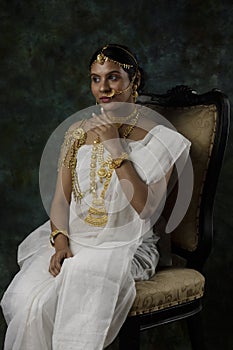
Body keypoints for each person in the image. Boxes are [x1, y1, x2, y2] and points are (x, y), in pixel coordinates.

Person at [1, 44, 191, 350]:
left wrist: (115, 148)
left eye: (113, 77)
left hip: (127, 245)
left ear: (135, 80)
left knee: (78, 277)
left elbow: (146, 209)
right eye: (95, 79)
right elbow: (61, 201)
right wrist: (61, 242)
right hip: (75, 238)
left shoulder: (162, 138)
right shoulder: (77, 132)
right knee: (28, 302)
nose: (103, 88)